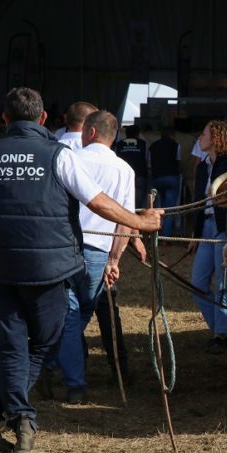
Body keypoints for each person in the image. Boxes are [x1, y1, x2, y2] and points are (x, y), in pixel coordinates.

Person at [0, 87, 162, 453]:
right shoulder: (60, 155)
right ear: (43, 119)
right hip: (49, 266)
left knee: (12, 343)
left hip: (2, 263)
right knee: (47, 339)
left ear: (5, 119)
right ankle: (18, 414)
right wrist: (142, 223)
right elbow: (99, 202)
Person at [42, 110, 143, 403]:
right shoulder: (124, 169)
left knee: (70, 318)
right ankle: (54, 372)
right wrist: (114, 259)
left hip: (66, 249)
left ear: (90, 133)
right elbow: (125, 220)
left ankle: (62, 377)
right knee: (76, 316)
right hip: (100, 253)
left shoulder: (70, 161)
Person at [188, 120, 227, 354]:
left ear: (216, 137)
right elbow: (198, 205)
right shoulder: (203, 167)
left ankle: (222, 334)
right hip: (207, 228)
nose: (200, 137)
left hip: (224, 227)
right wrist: (195, 236)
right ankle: (219, 329)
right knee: (197, 284)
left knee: (223, 284)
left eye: (204, 133)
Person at [149, 127, 182, 237]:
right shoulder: (176, 145)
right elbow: (178, 161)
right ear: (172, 135)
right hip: (172, 177)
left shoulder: (153, 146)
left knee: (159, 207)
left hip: (157, 178)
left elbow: (149, 162)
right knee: (169, 208)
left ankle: (156, 232)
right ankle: (165, 236)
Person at [113, 124, 148, 208]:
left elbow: (115, 159)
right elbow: (147, 159)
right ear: (138, 133)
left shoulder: (119, 144)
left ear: (126, 133)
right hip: (139, 174)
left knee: (123, 201)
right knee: (138, 203)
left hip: (123, 176)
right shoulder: (143, 144)